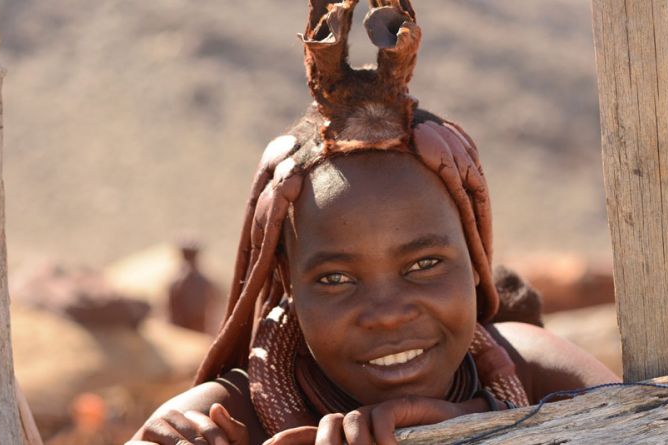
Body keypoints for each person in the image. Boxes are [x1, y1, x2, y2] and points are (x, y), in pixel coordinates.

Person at [129, 1, 618, 443]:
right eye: (336, 279)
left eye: (424, 264)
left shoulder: (538, 375)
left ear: (473, 260)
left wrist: (475, 426)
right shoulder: (217, 427)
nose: (386, 314)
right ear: (288, 283)